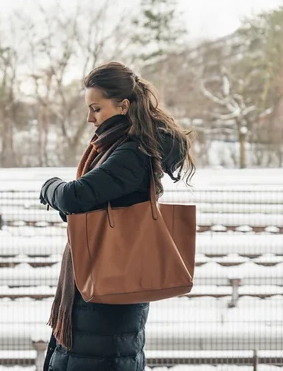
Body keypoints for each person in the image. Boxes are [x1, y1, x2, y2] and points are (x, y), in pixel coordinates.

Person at [39, 61, 195, 371]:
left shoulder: (132, 152)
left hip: (110, 292)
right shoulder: (119, 147)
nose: (89, 118)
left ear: (123, 105)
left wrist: (48, 187)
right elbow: (92, 206)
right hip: (102, 282)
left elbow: (76, 196)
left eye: (96, 108)